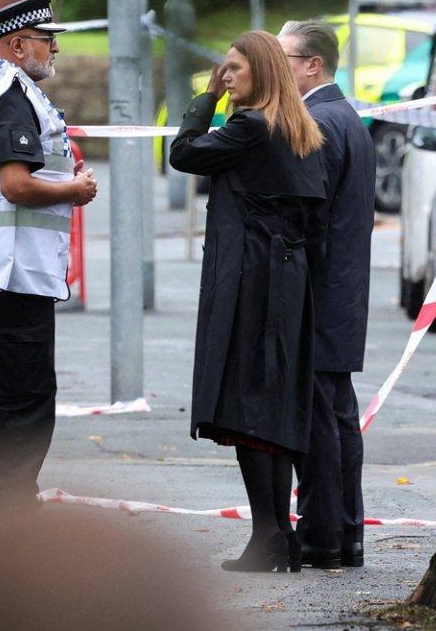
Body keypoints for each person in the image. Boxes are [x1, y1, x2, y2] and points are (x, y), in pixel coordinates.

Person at [169, 30, 327, 573]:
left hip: (253, 280)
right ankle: (279, 534)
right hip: (286, 277)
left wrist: (205, 101)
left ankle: (267, 538)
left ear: (261, 72)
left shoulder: (250, 126)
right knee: (272, 406)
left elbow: (184, 154)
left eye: (234, 68)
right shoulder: (298, 128)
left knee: (248, 405)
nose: (225, 75)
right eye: (223, 70)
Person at [0, 0, 97, 537]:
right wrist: (73, 190)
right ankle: (15, 513)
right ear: (16, 44)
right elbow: (15, 185)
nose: (54, 47)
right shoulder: (11, 92)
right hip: (14, 271)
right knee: (25, 398)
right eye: (45, 39)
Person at [279, 20, 375, 569]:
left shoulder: (318, 122)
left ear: (313, 64)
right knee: (337, 416)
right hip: (341, 292)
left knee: (318, 420)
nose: (278, 68)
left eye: (285, 57)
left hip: (317, 293)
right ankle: (345, 535)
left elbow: (308, 217)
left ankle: (322, 537)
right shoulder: (346, 118)